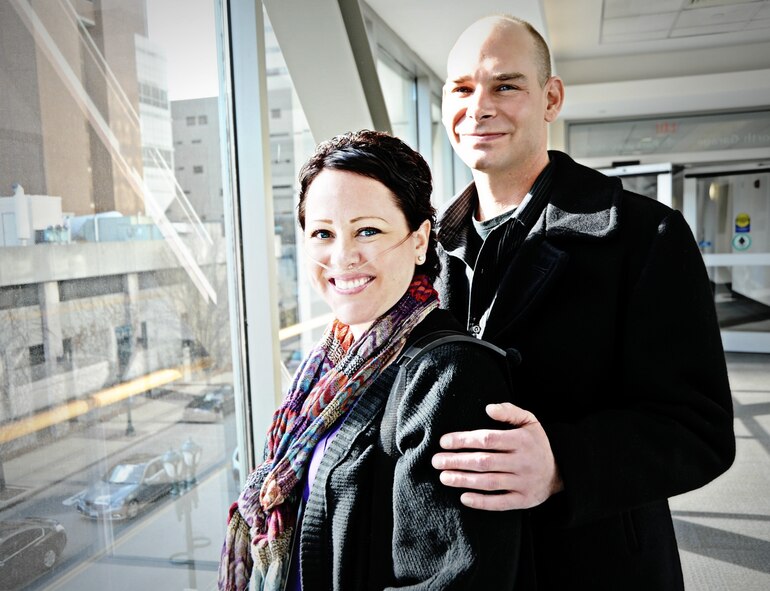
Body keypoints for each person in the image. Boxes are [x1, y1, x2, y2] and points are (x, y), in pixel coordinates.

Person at [430, 15, 736, 589]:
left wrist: (563, 466)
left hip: (595, 565)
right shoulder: (421, 249)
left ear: (551, 98)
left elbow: (700, 429)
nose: (480, 108)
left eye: (506, 85)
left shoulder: (648, 236)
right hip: (457, 566)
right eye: (463, 88)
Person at [218, 130, 523, 591]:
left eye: (368, 230)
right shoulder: (327, 366)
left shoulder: (448, 376)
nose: (343, 256)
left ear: (419, 241)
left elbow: (458, 579)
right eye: (323, 233)